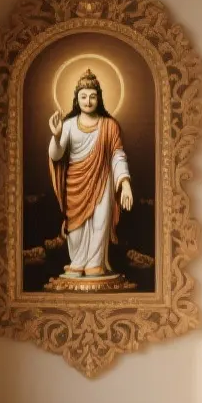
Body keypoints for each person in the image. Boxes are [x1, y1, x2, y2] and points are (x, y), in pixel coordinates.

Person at [45, 70, 134, 289]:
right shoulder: (67, 125)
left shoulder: (109, 126)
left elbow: (117, 155)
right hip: (75, 182)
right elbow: (56, 155)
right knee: (75, 228)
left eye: (92, 96)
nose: (88, 101)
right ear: (76, 99)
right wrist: (56, 136)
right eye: (83, 96)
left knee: (100, 222)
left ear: (99, 98)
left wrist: (125, 184)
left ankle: (94, 265)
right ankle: (77, 263)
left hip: (103, 180)